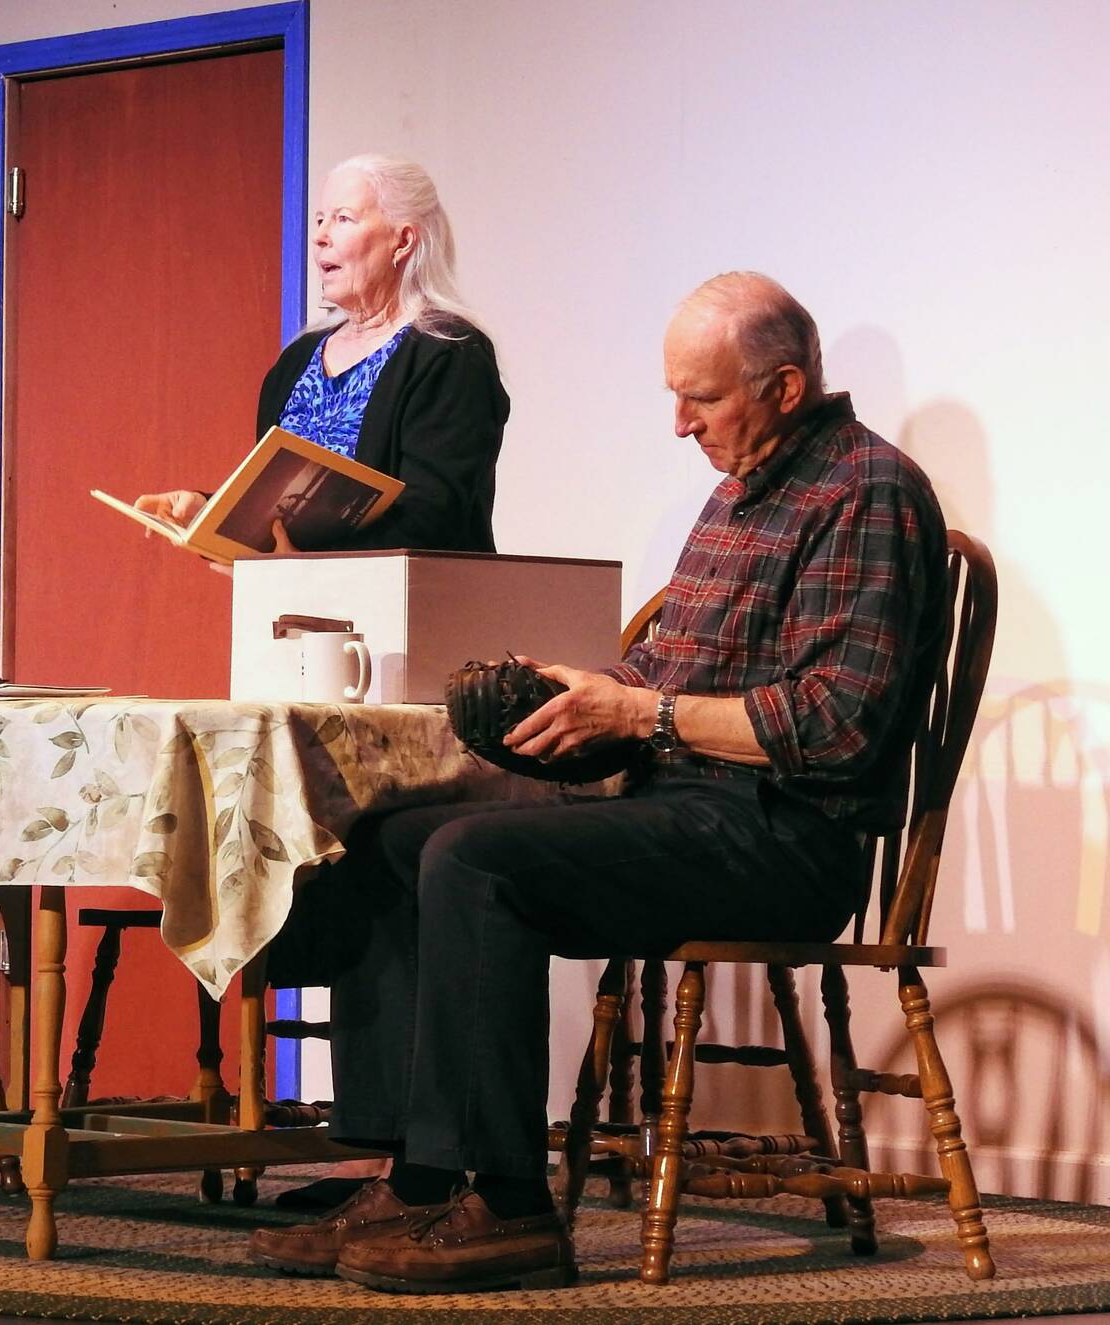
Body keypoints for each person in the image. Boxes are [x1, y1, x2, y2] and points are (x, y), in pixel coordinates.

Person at [248, 273, 949, 1292]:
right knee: (392, 835)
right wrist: (571, 699)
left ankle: (509, 1206)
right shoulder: (739, 490)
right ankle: (414, 1175)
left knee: (475, 858)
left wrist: (636, 714)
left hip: (786, 837)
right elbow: (666, 675)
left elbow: (834, 724)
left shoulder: (864, 491)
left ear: (785, 388)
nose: (680, 424)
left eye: (701, 399)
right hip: (684, 806)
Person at [135, 154, 508, 553]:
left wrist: (311, 566)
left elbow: (432, 518)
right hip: (295, 593)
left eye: (343, 219)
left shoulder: (451, 354)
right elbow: (278, 510)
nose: (320, 237)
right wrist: (206, 512)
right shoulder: (298, 358)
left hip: (408, 592)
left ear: (402, 241)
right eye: (319, 220)